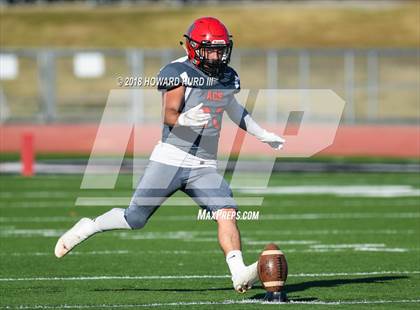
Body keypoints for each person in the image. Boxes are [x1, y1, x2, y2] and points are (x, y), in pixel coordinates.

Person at [54, 17, 285, 293]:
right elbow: (169, 115)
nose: (215, 56)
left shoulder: (226, 76)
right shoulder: (178, 71)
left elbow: (234, 109)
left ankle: (239, 274)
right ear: (193, 48)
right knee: (135, 219)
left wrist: (262, 134)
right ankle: (90, 225)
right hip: (171, 158)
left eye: (220, 50)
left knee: (226, 212)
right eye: (209, 49)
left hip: (203, 165)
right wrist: (187, 119)